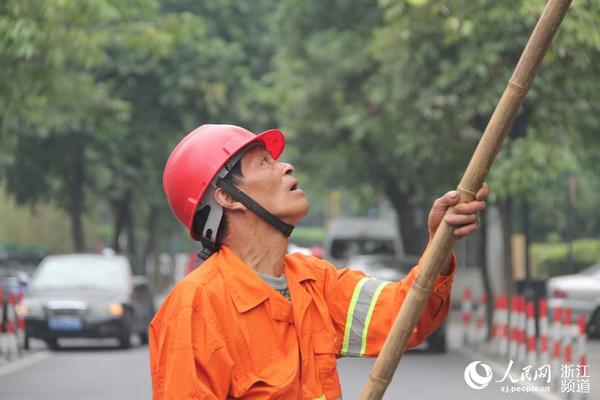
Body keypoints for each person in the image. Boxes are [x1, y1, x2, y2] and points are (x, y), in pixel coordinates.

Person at [150, 124, 488, 399]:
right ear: (226, 196)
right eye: (265, 162)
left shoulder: (314, 282)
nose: (286, 166)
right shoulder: (196, 307)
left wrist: (439, 246)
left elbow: (404, 319)